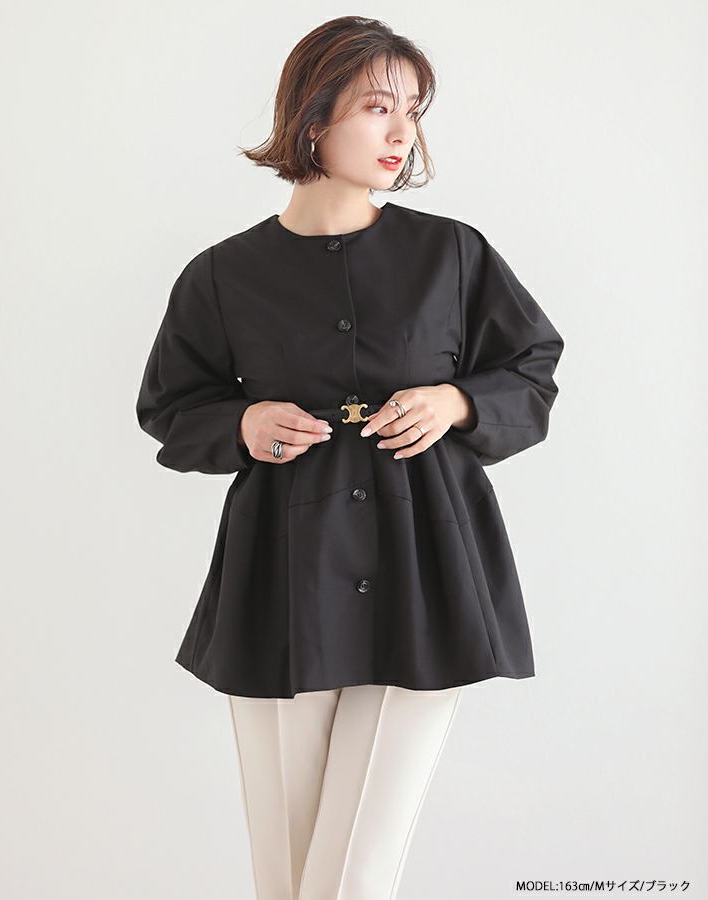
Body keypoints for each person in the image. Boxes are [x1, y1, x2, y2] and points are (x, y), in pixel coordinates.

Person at [135, 15, 564, 900]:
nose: (403, 132)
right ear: (313, 113)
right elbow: (171, 408)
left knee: (352, 877)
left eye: (414, 110)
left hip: (424, 572)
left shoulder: (451, 253)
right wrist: (243, 423)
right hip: (279, 580)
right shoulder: (222, 275)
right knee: (286, 874)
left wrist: (456, 401)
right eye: (378, 107)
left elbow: (531, 368)